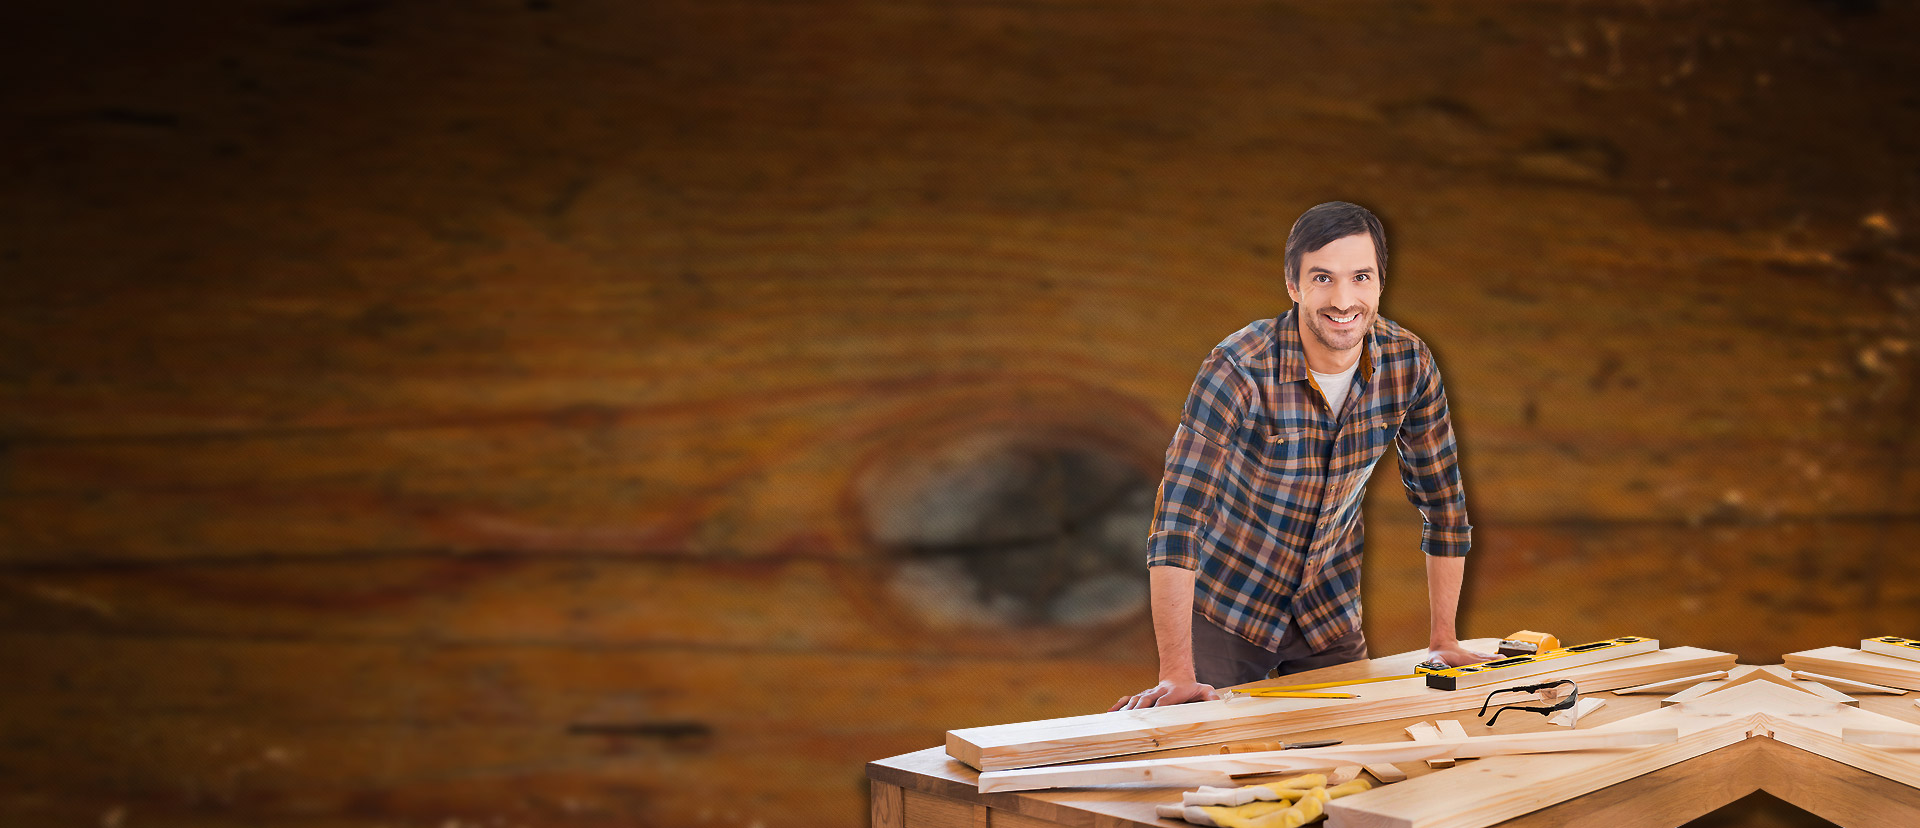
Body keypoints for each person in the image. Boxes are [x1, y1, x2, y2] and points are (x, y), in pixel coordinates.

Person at [1112, 201, 1492, 711]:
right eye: (1322, 278)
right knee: (1209, 763)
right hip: (1229, 607)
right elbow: (1178, 522)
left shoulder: (1409, 364)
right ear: (1293, 285)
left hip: (1327, 610)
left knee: (1348, 761)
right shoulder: (1238, 368)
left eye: (1360, 277)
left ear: (1381, 282)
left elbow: (1443, 503)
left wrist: (1444, 640)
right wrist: (1176, 675)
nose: (1343, 299)